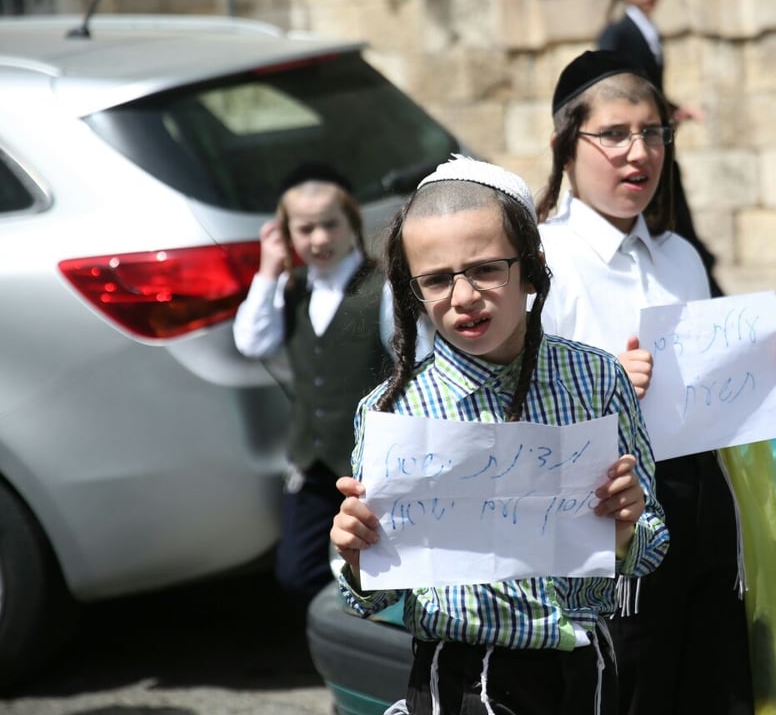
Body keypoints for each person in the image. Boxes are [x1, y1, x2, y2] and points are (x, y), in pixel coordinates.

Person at [329, 155, 670, 715]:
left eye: (487, 269)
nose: (464, 296)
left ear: (531, 271)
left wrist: (628, 525)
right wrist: (357, 553)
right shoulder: (395, 411)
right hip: (460, 676)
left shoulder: (596, 380)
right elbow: (372, 594)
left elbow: (651, 547)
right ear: (412, 292)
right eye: (437, 279)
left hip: (585, 669)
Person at [537, 49, 776, 715]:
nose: (639, 153)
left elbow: (709, 386)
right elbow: (516, 401)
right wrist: (604, 386)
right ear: (565, 147)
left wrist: (774, 361)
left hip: (702, 506)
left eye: (654, 133)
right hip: (610, 516)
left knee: (715, 682)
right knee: (632, 685)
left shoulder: (681, 256)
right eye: (614, 134)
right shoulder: (543, 260)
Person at [233, 162, 393, 607]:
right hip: (313, 460)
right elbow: (251, 341)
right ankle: (336, 624)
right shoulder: (291, 289)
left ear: (351, 224)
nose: (319, 239)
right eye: (305, 229)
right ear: (285, 233)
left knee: (381, 568)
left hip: (368, 463)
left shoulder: (379, 288)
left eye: (330, 225)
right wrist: (268, 270)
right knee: (297, 571)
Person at [597, 0, 724, 297]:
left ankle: (707, 292)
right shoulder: (618, 32)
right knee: (667, 222)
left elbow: (647, 89)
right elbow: (614, 87)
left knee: (676, 221)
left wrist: (673, 110)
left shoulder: (650, 32)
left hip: (660, 141)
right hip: (645, 145)